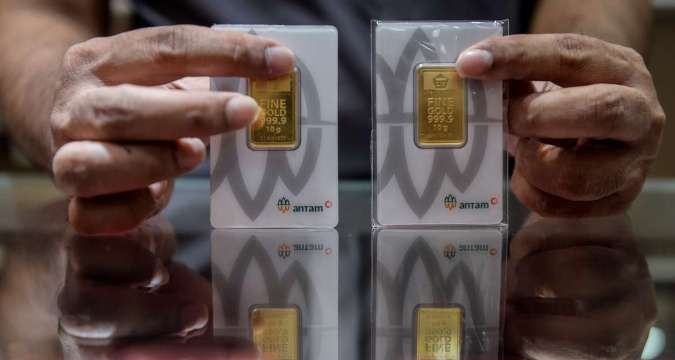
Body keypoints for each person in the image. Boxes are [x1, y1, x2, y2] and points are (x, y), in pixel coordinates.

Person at [0, 0, 665, 235]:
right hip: (197, 200)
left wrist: (577, 77)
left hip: (484, 201)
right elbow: (34, 10)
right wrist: (65, 98)